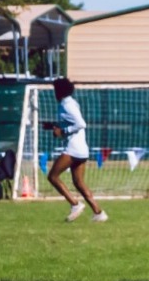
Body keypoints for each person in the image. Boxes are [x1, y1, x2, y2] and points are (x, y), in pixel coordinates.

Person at [46, 78, 108, 222]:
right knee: (79, 183)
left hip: (73, 149)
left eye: (55, 90)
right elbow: (70, 123)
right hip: (82, 149)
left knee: (53, 176)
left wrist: (63, 131)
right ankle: (99, 213)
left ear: (59, 91)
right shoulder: (70, 102)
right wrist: (54, 126)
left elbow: (81, 123)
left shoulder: (67, 105)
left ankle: (75, 204)